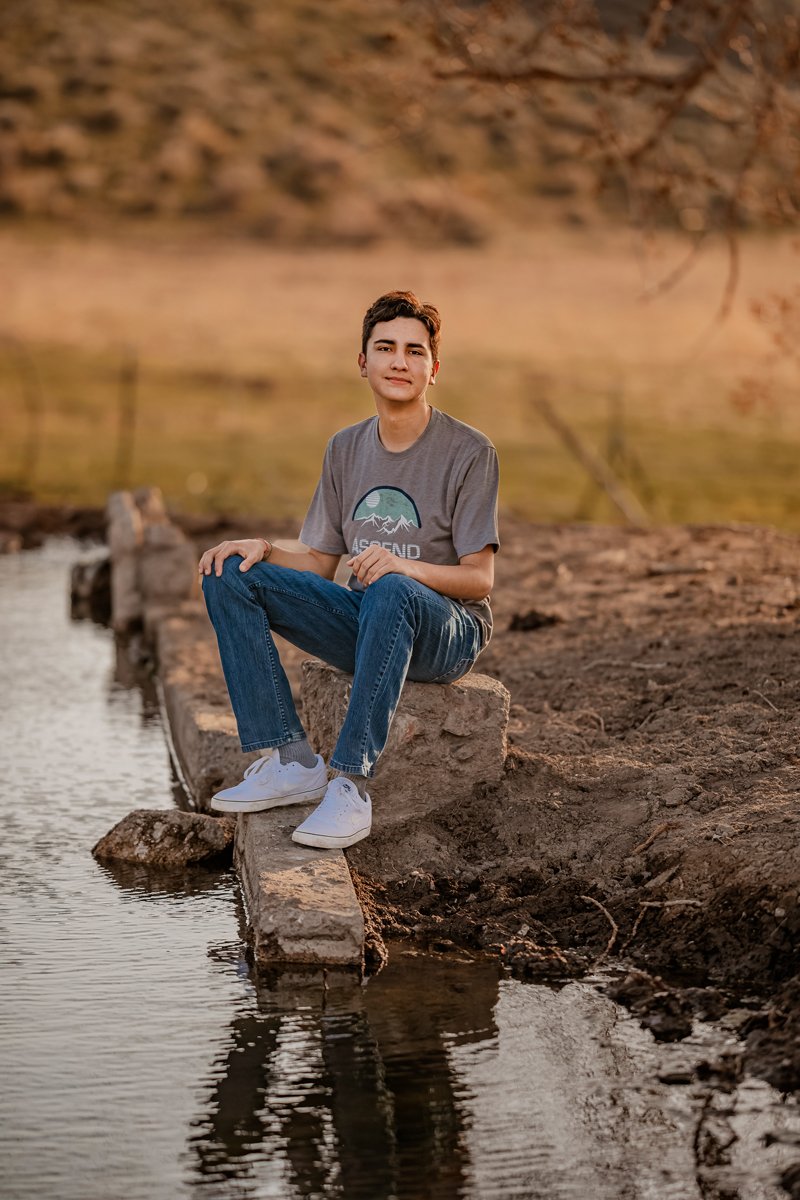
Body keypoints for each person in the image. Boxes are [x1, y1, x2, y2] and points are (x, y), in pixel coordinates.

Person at [198, 290, 499, 850]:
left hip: (447, 629)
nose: (399, 362)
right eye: (385, 348)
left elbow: (479, 580)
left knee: (390, 586)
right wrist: (260, 548)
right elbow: (318, 563)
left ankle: (350, 787)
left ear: (434, 369)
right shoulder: (344, 448)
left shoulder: (470, 451)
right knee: (227, 572)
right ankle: (290, 760)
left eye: (415, 351)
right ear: (363, 362)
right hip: (368, 617)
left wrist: (405, 569)